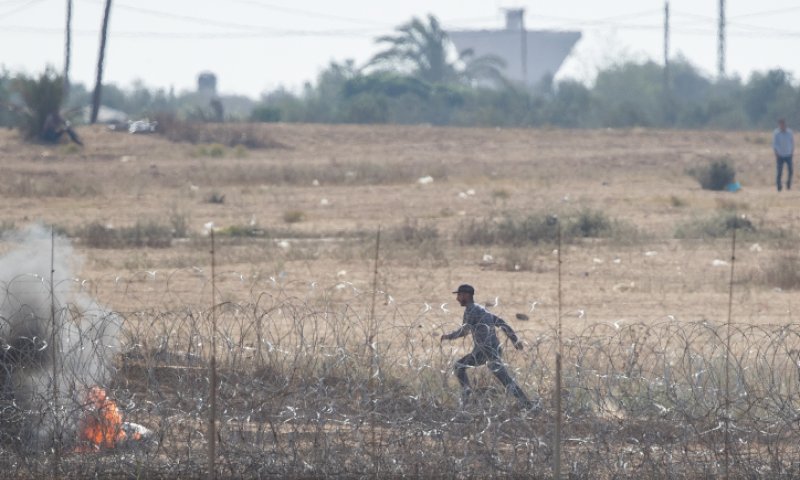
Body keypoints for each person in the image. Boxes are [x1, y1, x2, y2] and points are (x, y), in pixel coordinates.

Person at [440, 284, 539, 411]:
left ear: (466, 295)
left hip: (484, 350)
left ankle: (467, 395)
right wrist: (515, 340)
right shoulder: (481, 309)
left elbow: (464, 331)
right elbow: (501, 322)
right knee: (505, 380)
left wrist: (448, 336)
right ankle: (527, 404)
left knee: (459, 367)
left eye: (459, 295)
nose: (457, 299)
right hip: (492, 349)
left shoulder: (471, 311)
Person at [773, 118, 793, 191]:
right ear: (779, 125)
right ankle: (779, 186)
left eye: (783, 124)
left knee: (790, 171)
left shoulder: (789, 132)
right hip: (780, 155)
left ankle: (788, 184)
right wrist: (776, 153)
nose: (782, 126)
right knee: (779, 172)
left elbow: (792, 142)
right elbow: (774, 144)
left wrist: (792, 152)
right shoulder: (776, 133)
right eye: (780, 124)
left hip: (788, 154)